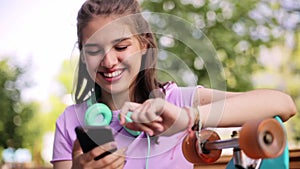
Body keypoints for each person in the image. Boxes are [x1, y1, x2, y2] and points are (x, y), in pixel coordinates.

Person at [51, 0, 297, 168]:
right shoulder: (69, 121)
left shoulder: (176, 101)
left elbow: (283, 104)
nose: (108, 61)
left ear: (143, 46)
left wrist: (187, 116)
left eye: (121, 47)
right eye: (94, 50)